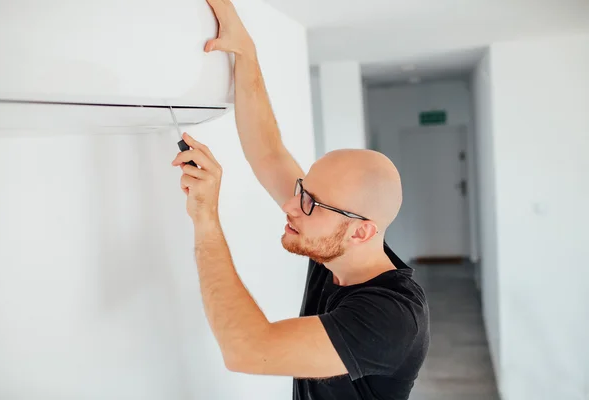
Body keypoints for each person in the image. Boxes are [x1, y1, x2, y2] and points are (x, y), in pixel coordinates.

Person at [170, 0, 430, 398]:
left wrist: (205, 218)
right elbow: (270, 153)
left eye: (311, 203)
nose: (292, 205)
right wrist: (246, 51)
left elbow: (248, 349)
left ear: (362, 231)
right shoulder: (340, 247)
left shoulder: (391, 318)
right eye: (302, 191)